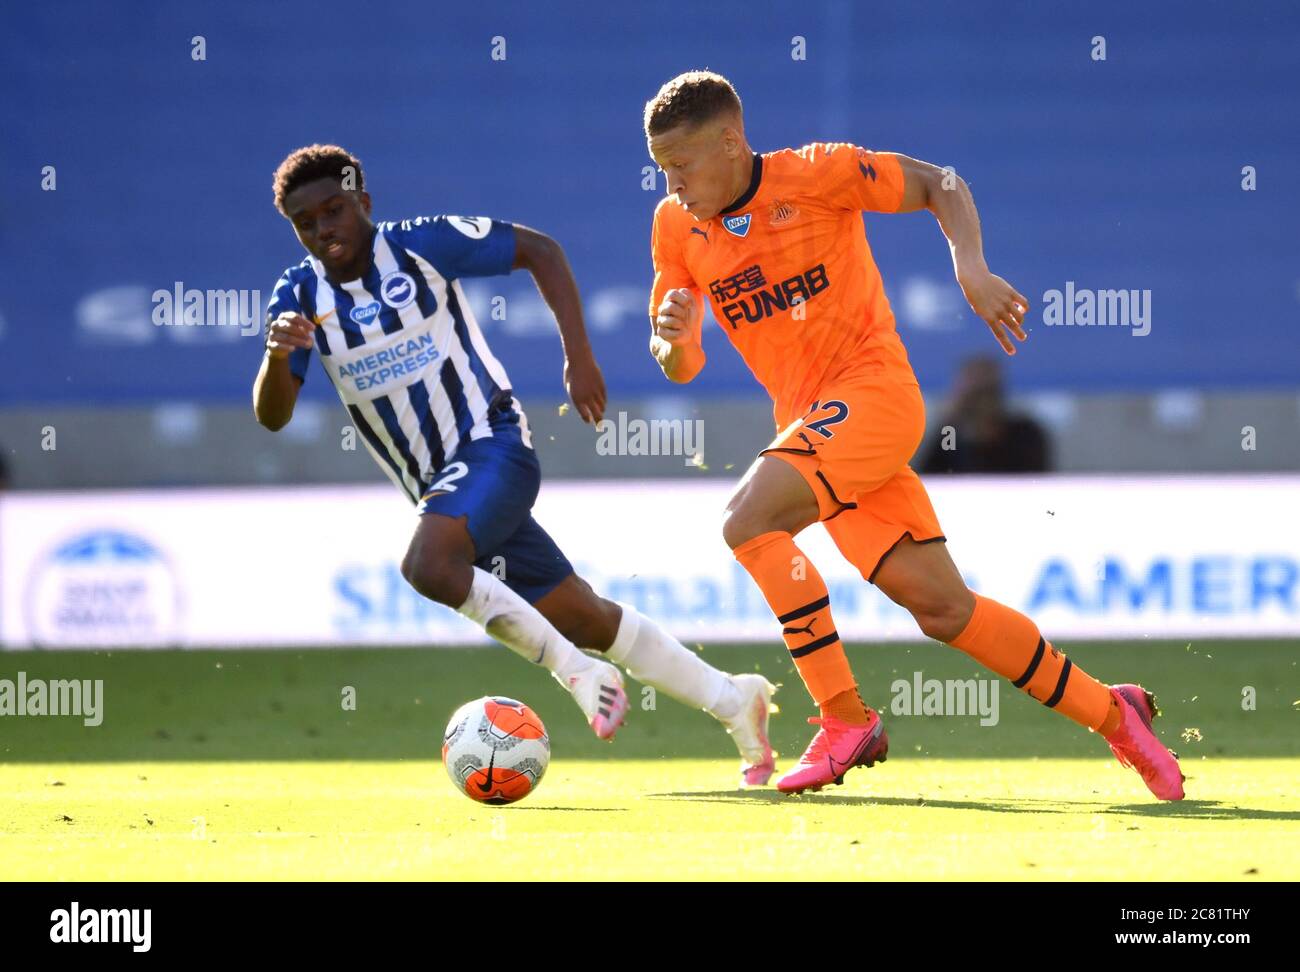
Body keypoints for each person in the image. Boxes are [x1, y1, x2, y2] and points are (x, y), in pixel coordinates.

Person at [644, 72, 1183, 799]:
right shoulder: (675, 227)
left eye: (680, 165)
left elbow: (942, 183)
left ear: (731, 143)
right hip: (816, 432)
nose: (671, 183)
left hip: (874, 396)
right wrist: (670, 342)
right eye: (661, 170)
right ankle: (1114, 714)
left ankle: (844, 719)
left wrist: (971, 266)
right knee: (942, 609)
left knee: (748, 520)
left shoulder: (817, 174)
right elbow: (683, 364)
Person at [254, 144, 775, 786]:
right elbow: (273, 415)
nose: (323, 229)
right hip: (444, 496)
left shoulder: (422, 247)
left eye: (334, 210)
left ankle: (577, 672)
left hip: (493, 445)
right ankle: (735, 700)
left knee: (428, 565)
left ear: (363, 200)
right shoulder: (299, 296)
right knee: (582, 614)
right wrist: (278, 357)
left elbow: (542, 251)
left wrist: (578, 358)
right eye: (305, 223)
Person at [918, 355, 1051, 473]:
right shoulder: (951, 434)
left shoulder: (1025, 433)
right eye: (976, 395)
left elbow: (1034, 478)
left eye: (988, 391)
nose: (982, 403)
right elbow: (937, 476)